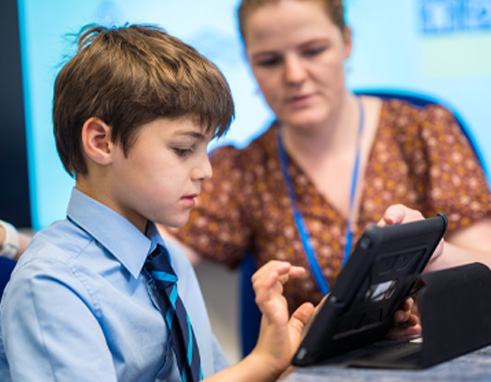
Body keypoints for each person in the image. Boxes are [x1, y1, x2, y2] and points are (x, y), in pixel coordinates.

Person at [0, 23, 323, 382]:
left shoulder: (170, 263)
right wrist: (259, 363)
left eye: (206, 148)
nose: (206, 171)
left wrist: (290, 357)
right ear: (101, 142)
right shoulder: (50, 286)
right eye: (183, 149)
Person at [171, 0, 491, 313]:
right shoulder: (244, 169)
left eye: (313, 51)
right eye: (270, 61)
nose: (295, 75)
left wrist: (435, 254)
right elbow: (158, 252)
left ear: (346, 42)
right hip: (317, 362)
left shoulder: (424, 131)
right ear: (249, 64)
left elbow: (485, 263)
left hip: (431, 356)